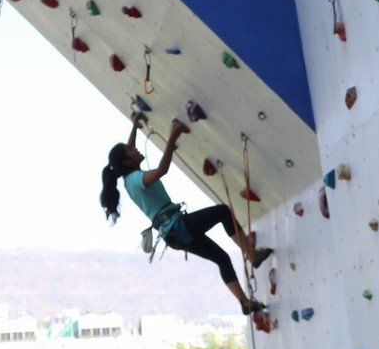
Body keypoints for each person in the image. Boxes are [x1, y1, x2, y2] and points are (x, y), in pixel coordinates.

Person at [100, 112, 272, 314]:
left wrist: (134, 128)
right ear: (127, 162)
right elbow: (162, 170)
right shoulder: (137, 179)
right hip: (177, 226)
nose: (135, 148)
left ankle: (244, 302)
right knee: (223, 212)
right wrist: (173, 136)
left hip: (174, 235)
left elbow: (127, 153)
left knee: (222, 258)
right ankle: (251, 255)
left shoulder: (129, 180)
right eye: (131, 150)